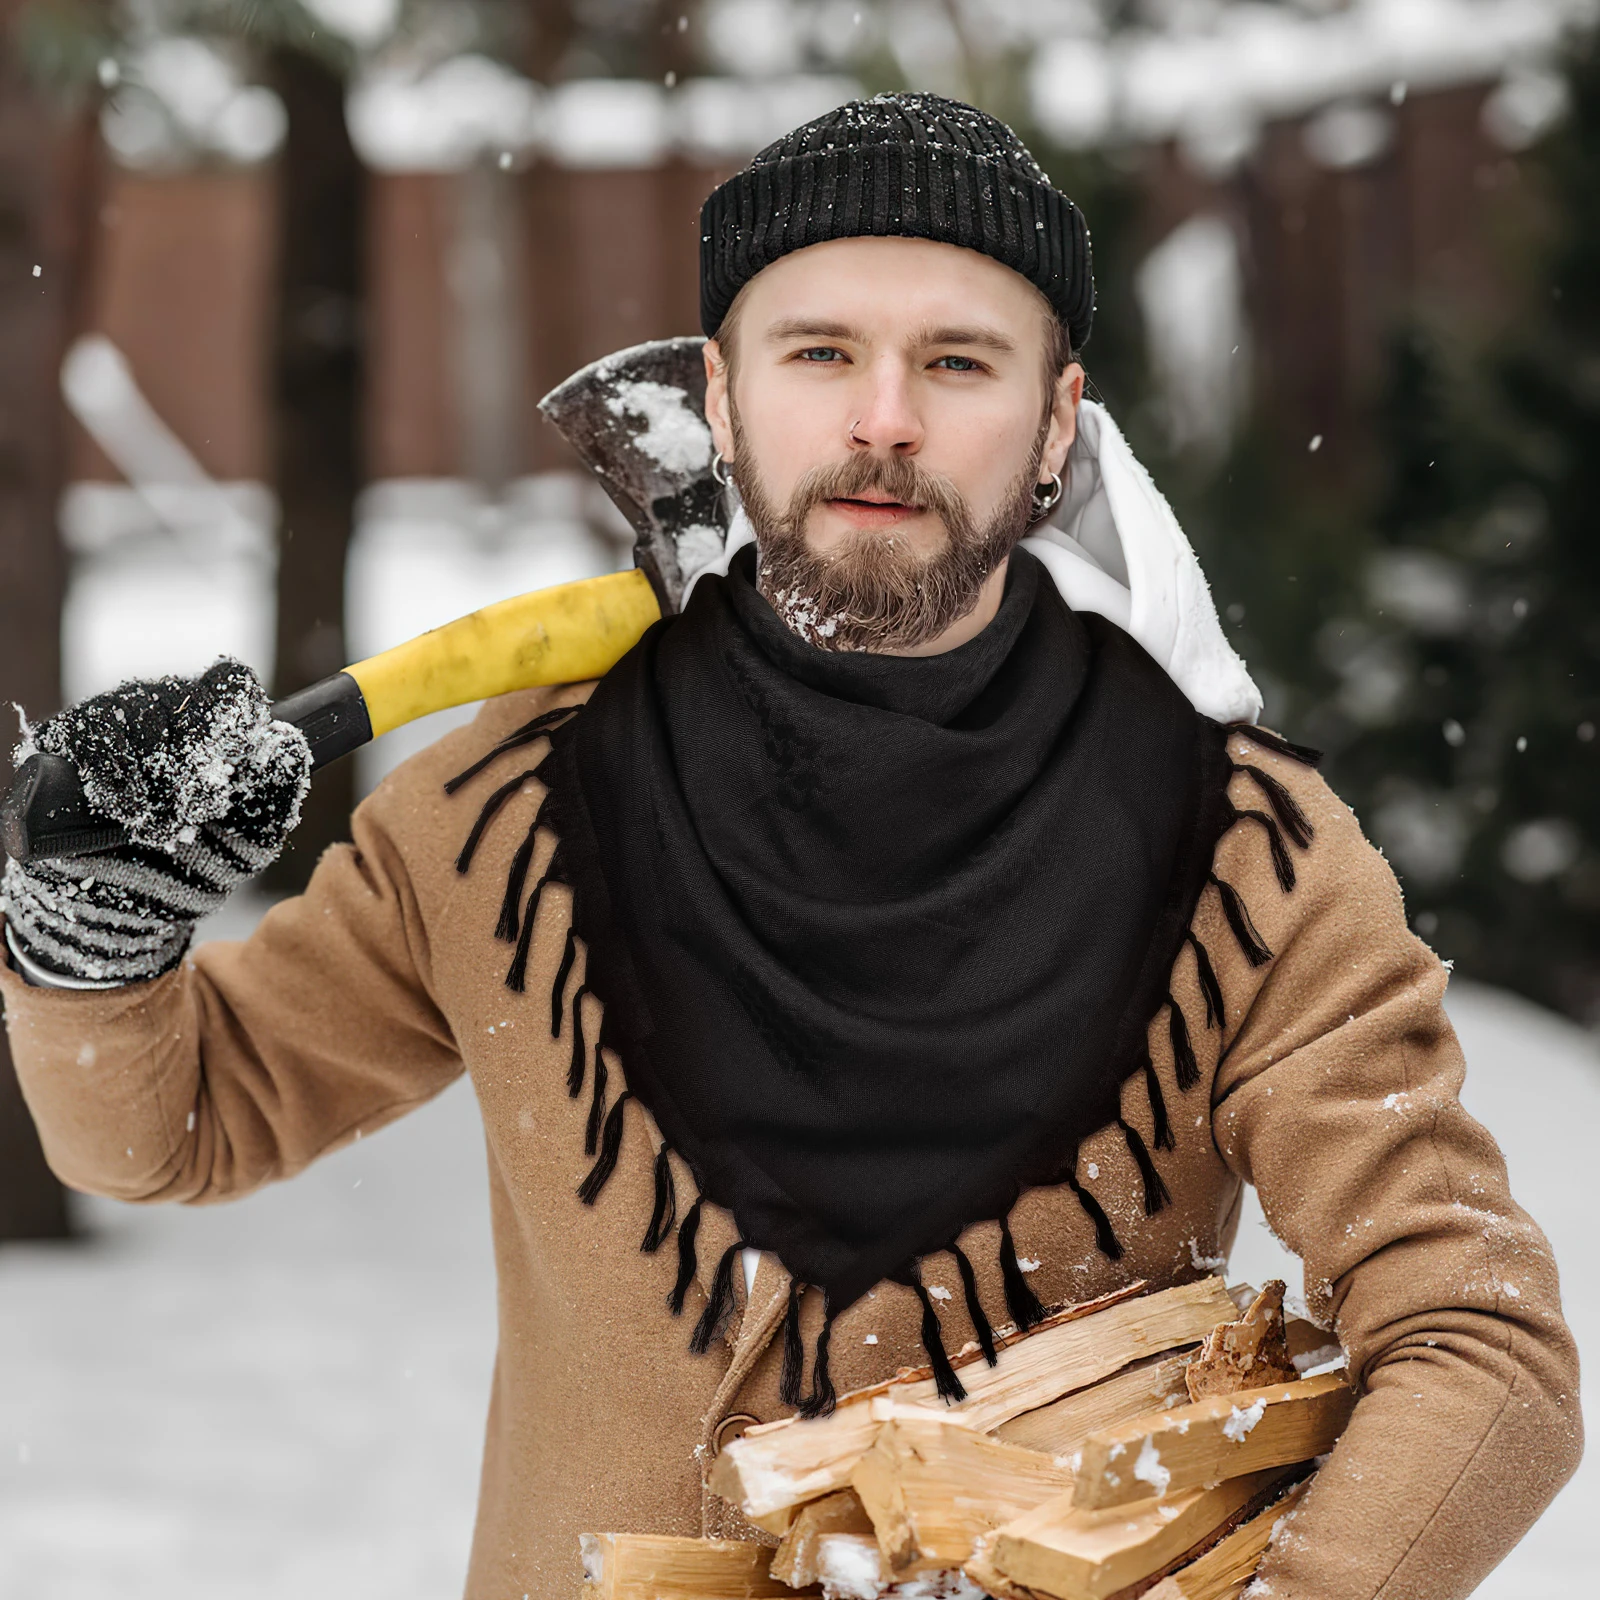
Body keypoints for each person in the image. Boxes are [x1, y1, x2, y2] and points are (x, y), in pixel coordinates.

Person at [0, 95, 1580, 1599]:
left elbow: (1480, 1344)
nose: (882, 422)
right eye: (820, 351)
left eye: (960, 363)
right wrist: (97, 927)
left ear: (1056, 423)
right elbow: (179, 1123)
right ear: (718, 392)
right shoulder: (514, 807)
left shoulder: (1241, 854)